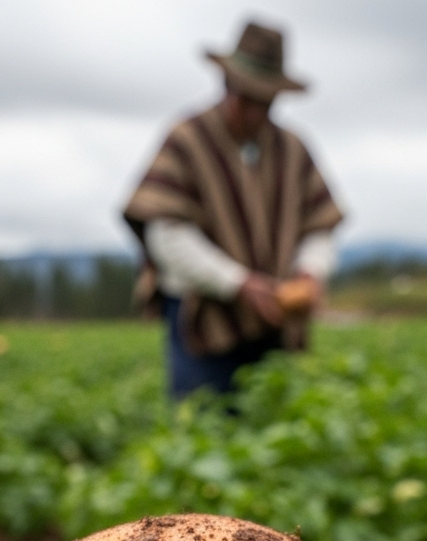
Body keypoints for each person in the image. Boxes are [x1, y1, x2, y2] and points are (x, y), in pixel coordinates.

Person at [123, 20, 345, 399]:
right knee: (203, 418)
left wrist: (310, 271)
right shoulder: (187, 141)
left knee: (269, 417)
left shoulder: (291, 149)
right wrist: (237, 282)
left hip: (272, 320)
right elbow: (166, 235)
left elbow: (318, 225)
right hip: (202, 316)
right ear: (226, 85)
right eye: (244, 96)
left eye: (263, 101)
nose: (251, 111)